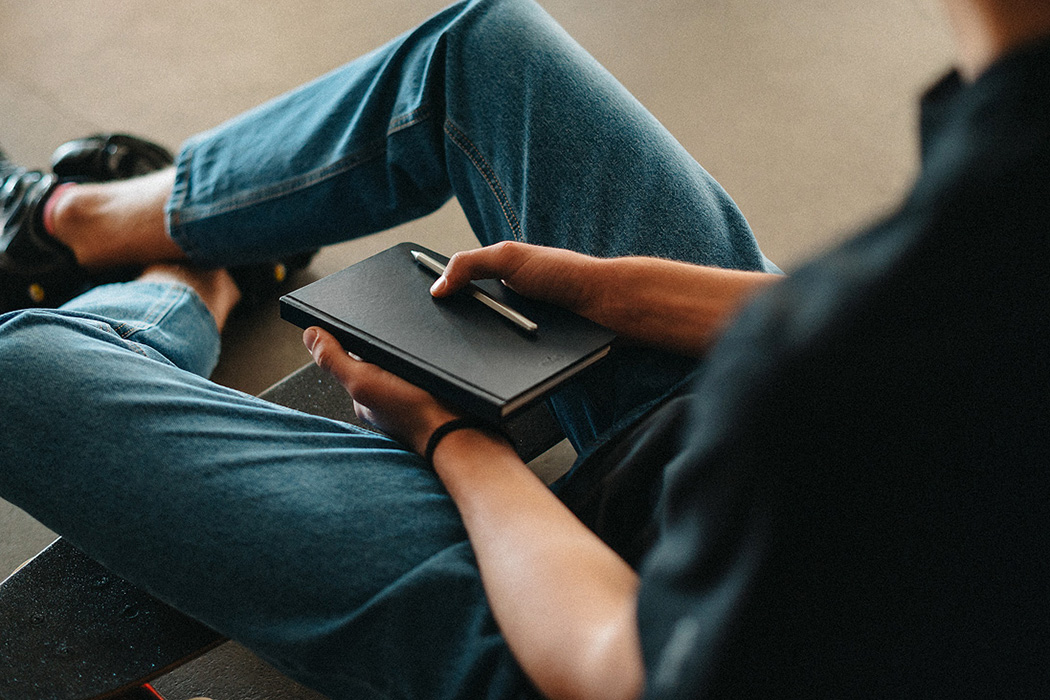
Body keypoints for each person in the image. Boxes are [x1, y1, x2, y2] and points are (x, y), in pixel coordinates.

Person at [1, 0, 1048, 697]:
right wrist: (614, 288)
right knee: (487, 46)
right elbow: (888, 327)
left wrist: (456, 439)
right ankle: (82, 223)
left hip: (588, 626)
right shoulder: (994, 188)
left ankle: (183, 288)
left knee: (17, 371)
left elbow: (619, 671)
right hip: (717, 454)